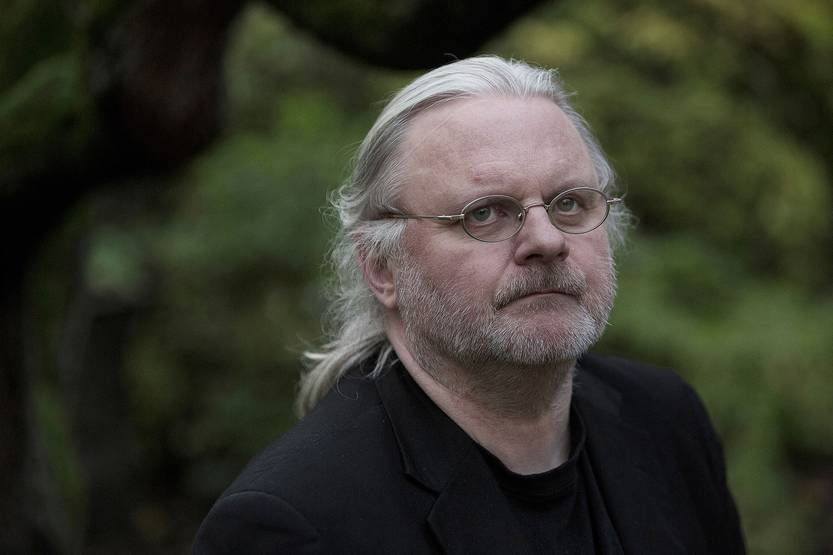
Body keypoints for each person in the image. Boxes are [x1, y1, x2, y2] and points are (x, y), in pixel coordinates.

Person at [194, 56, 745, 554]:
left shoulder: (666, 420)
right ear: (382, 268)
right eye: (484, 213)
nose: (547, 240)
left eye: (570, 203)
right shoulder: (293, 522)